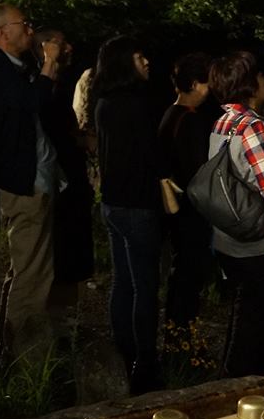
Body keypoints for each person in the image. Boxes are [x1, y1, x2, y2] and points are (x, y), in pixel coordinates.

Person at [0, 3, 61, 361]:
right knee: (32, 274)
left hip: (31, 180)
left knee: (27, 267)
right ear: (2, 32)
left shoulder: (8, 66)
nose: (29, 29)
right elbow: (32, 101)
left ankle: (11, 345)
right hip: (23, 184)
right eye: (22, 24)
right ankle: (27, 359)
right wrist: (49, 62)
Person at [207, 51, 264, 377]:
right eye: (259, 75)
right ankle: (252, 393)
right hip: (262, 244)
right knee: (261, 333)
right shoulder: (252, 126)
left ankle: (234, 385)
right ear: (249, 84)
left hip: (229, 237)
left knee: (243, 323)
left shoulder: (222, 122)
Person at [92, 35, 165, 394]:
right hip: (139, 203)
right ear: (125, 63)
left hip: (113, 202)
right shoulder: (138, 104)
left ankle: (122, 354)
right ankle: (145, 364)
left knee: (122, 282)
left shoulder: (103, 103)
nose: (146, 61)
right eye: (139, 57)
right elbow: (152, 155)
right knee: (146, 286)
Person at [33, 29, 95, 318]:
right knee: (60, 256)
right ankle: (54, 322)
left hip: (69, 182)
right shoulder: (43, 89)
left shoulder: (59, 87)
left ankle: (63, 321)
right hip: (59, 184)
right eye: (60, 43)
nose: (68, 47)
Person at [157, 52, 216, 331]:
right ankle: (183, 337)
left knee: (180, 273)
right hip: (190, 209)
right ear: (194, 84)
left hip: (174, 206)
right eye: (207, 83)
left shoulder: (170, 114)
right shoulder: (191, 120)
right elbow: (198, 170)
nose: (209, 90)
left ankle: (176, 333)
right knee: (189, 276)